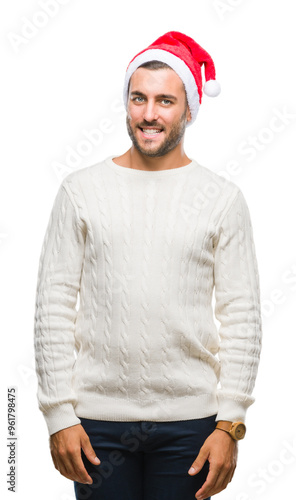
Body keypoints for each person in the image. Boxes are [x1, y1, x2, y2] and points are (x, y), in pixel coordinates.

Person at [33, 31, 263, 500]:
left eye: (165, 100)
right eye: (138, 98)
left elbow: (242, 314)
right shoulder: (81, 191)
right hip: (95, 425)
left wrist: (231, 422)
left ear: (189, 109)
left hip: (192, 427)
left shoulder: (221, 199)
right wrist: (59, 414)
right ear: (127, 103)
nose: (149, 114)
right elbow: (52, 306)